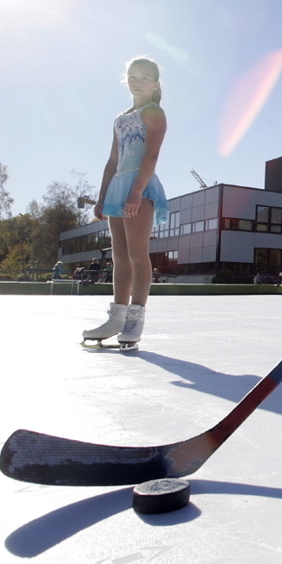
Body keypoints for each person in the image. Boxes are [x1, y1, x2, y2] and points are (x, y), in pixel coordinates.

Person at [82, 56, 168, 351]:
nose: (137, 82)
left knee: (137, 253)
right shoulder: (120, 118)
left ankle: (135, 319)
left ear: (155, 84)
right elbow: (113, 159)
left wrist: (137, 191)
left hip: (139, 186)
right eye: (132, 76)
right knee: (119, 257)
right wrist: (102, 195)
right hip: (117, 187)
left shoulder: (153, 111)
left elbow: (151, 154)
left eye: (144, 77)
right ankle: (116, 318)